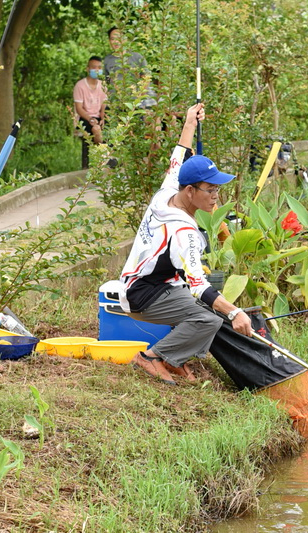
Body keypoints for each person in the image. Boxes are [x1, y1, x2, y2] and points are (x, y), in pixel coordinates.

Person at [119, 102, 252, 386]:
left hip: (147, 284)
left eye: (218, 188)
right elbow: (198, 286)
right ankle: (152, 357)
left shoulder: (168, 190)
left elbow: (178, 155)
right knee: (210, 319)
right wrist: (235, 312)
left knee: (206, 312)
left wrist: (190, 121)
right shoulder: (184, 231)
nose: (216, 196)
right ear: (190, 191)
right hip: (143, 295)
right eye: (211, 189)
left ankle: (173, 358)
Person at [102, 27, 157, 109]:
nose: (116, 41)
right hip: (116, 105)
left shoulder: (137, 57)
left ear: (125, 39)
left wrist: (139, 98)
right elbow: (106, 81)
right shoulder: (107, 60)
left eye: (118, 38)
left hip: (135, 105)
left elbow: (146, 79)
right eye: (112, 39)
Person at [72, 56, 107, 145]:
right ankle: (101, 153)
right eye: (94, 67)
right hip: (85, 118)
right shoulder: (80, 85)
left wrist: (103, 118)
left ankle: (104, 153)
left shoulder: (103, 85)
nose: (97, 70)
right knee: (96, 129)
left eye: (99, 68)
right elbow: (79, 109)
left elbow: (104, 104)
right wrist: (90, 119)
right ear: (88, 69)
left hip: (99, 117)